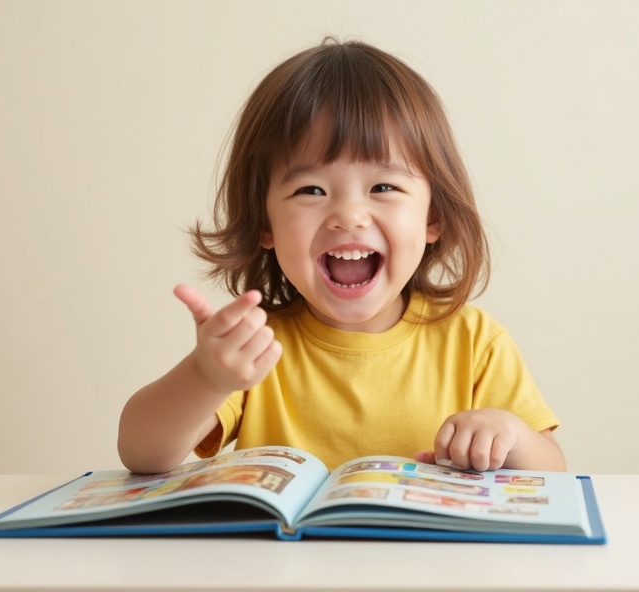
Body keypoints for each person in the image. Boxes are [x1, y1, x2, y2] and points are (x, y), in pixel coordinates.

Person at [118, 39, 566, 475]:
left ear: (434, 217)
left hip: (428, 554)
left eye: (383, 187)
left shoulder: (474, 341)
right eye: (310, 190)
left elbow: (553, 470)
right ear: (265, 225)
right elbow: (142, 454)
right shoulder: (258, 348)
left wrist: (510, 435)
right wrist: (206, 375)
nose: (348, 216)